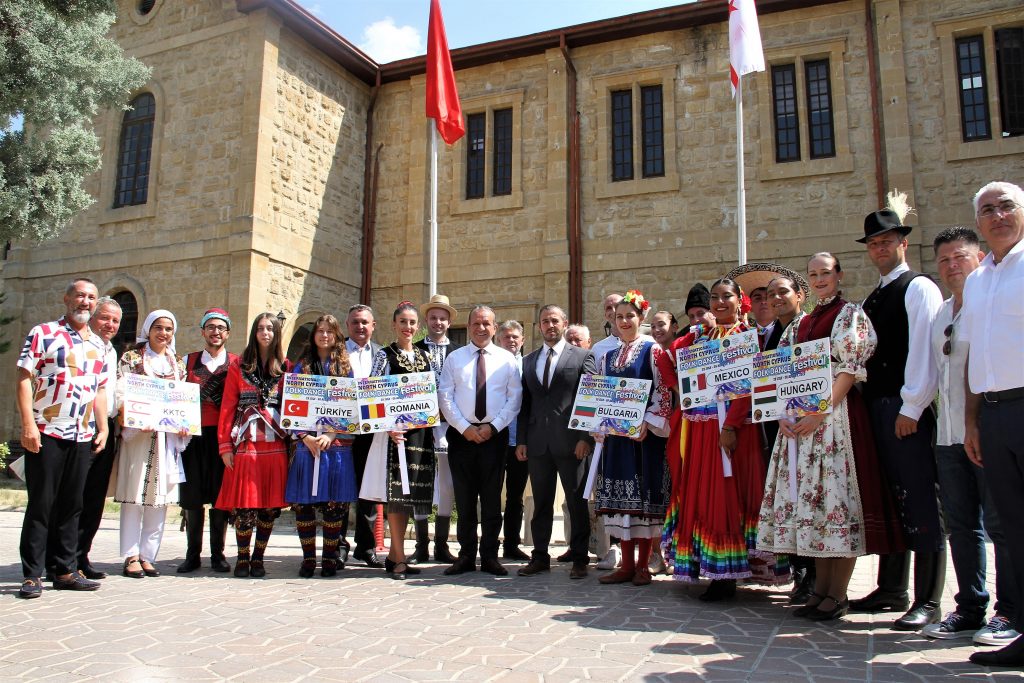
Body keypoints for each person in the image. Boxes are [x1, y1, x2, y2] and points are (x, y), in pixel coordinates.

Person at [757, 256, 901, 621]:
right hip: (799, 425)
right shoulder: (799, 324)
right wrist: (783, 415)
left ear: (839, 276)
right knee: (814, 506)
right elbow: (781, 374)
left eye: (826, 273)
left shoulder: (848, 314)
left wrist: (820, 411)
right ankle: (820, 589)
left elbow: (850, 370)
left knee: (836, 500)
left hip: (835, 421)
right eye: (814, 275)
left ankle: (837, 594)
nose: (820, 279)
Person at [852, 199, 946, 631]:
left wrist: (913, 405)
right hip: (878, 406)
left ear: (902, 243)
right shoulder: (876, 294)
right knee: (892, 497)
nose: (880, 249)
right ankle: (892, 588)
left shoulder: (917, 287)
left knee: (920, 500)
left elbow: (924, 351)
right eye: (873, 243)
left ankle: (928, 598)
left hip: (903, 407)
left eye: (886, 241)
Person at [922, 226, 1018, 645]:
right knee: (961, 525)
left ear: (978, 259)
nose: (951, 266)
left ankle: (1010, 610)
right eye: (943, 260)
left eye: (959, 257)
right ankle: (969, 607)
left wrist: (976, 424)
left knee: (1001, 524)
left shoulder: (989, 307)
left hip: (984, 431)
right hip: (948, 435)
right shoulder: (942, 313)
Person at [662, 278, 785, 601]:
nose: (719, 302)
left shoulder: (748, 337)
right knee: (703, 493)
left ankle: (729, 572)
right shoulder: (703, 337)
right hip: (702, 426)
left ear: (738, 300)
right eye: (714, 298)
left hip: (733, 429)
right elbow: (673, 354)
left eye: (725, 297)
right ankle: (714, 565)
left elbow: (748, 385)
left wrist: (730, 426)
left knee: (729, 493)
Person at [962, 181, 1024, 667]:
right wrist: (973, 421)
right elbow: (972, 354)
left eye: (1007, 207)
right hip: (996, 412)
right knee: (1012, 525)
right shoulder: (980, 278)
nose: (998, 215)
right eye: (988, 210)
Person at [728, 262, 816, 602]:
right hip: (762, 431)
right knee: (779, 499)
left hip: (797, 425)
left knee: (799, 495)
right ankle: (793, 566)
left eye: (774, 294)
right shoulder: (747, 338)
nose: (768, 301)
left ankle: (808, 572)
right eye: (760, 296)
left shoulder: (804, 328)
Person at [16, 278, 110, 598]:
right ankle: (31, 574)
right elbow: (25, 378)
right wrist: (28, 425)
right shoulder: (43, 333)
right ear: (67, 298)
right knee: (42, 503)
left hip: (82, 434)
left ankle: (65, 570)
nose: (85, 301)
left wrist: (104, 427)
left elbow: (99, 390)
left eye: (91, 297)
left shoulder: (99, 346)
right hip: (47, 431)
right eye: (80, 295)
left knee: (72, 504)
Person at [592, 290, 673, 587]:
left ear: (642, 318)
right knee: (620, 502)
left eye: (630, 316)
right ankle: (626, 564)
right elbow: (600, 395)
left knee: (642, 500)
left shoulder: (653, 352)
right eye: (619, 316)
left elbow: (664, 394)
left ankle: (642, 565)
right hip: (616, 438)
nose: (624, 321)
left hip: (643, 438)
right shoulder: (607, 356)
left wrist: (647, 423)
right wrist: (597, 423)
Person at [438, 305, 522, 576]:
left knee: (491, 500)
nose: (481, 328)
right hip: (461, 437)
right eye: (476, 323)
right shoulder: (455, 358)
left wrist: (493, 427)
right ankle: (465, 556)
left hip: (494, 438)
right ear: (469, 325)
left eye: (487, 323)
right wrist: (464, 428)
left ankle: (489, 556)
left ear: (494, 328)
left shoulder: (507, 360)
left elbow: (514, 398)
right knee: (463, 500)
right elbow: (445, 396)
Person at [516, 305, 596, 580]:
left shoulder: (583, 356)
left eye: (554, 321)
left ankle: (580, 557)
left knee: (576, 503)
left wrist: (585, 437)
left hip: (572, 443)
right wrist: (522, 440)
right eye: (544, 321)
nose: (550, 325)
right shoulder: (529, 360)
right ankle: (540, 556)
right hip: (538, 444)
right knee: (541, 504)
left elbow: (589, 398)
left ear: (564, 323)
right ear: (539, 326)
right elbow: (525, 404)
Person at [113, 310, 191, 579]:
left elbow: (183, 399)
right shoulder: (132, 357)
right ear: (148, 329)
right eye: (158, 327)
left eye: (169, 329)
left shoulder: (177, 364)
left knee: (159, 499)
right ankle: (131, 555)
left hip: (167, 437)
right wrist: (136, 417)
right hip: (139, 435)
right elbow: (120, 393)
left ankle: (148, 555)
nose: (164, 333)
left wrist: (184, 423)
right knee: (134, 496)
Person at [284, 314, 357, 578]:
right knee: (304, 505)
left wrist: (331, 432)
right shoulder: (300, 366)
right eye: (320, 331)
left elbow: (350, 407)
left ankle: (329, 557)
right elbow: (291, 404)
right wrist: (304, 436)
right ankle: (307, 559)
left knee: (334, 505)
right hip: (308, 445)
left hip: (335, 445)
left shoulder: (345, 367)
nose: (324, 335)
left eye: (329, 331)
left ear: (337, 336)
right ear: (313, 335)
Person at [216, 313, 289, 578]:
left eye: (270, 328)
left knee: (268, 508)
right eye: (260, 328)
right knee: (245, 506)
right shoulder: (239, 366)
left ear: (277, 333)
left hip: (276, 445)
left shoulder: (286, 366)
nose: (265, 332)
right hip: (247, 444)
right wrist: (225, 446)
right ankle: (243, 557)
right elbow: (227, 406)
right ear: (253, 332)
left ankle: (259, 557)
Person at [368, 303, 436, 579]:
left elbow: (432, 390)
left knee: (411, 496)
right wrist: (387, 427)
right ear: (394, 325)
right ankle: (397, 556)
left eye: (412, 323)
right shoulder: (385, 355)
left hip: (420, 432)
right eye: (403, 322)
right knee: (396, 495)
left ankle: (399, 554)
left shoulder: (425, 355)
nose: (408, 327)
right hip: (395, 435)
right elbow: (372, 393)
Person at [176, 308, 237, 574]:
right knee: (192, 496)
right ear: (202, 331)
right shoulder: (187, 362)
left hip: (223, 438)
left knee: (219, 496)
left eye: (220, 328)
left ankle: (218, 554)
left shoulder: (237, 362)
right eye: (210, 327)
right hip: (191, 437)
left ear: (227, 333)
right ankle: (192, 555)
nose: (215, 332)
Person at [69, 297, 121, 580]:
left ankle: (81, 556)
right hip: (80, 426)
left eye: (115, 321)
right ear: (92, 316)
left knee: (94, 497)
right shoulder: (81, 345)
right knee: (73, 495)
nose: (110, 325)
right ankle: (62, 558)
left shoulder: (111, 351)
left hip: (106, 428)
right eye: (105, 318)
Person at [415, 294, 459, 563]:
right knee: (420, 479)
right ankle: (421, 544)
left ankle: (441, 544)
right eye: (433, 317)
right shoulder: (415, 349)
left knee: (446, 483)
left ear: (449, 321)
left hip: (450, 425)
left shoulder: (459, 351)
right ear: (426, 320)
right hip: (420, 424)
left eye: (443, 318)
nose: (438, 322)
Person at [344, 304, 385, 568]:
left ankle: (365, 546)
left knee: (368, 492)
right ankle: (337, 545)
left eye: (365, 323)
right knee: (339, 490)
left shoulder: (382, 355)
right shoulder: (336, 353)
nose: (360, 327)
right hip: (341, 432)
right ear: (348, 325)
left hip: (371, 432)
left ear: (373, 326)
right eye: (355, 322)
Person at [590, 293, 624, 571]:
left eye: (620, 309)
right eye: (610, 308)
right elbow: (592, 390)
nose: (615, 313)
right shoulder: (598, 349)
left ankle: (648, 551)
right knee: (611, 491)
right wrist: (594, 425)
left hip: (640, 432)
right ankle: (613, 547)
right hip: (609, 434)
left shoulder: (648, 345)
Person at [497, 319, 530, 562]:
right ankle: (488, 544)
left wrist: (525, 440)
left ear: (522, 340)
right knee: (490, 494)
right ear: (499, 339)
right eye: (506, 336)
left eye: (515, 337)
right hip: (495, 440)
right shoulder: (492, 364)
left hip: (520, 441)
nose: (511, 341)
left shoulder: (528, 366)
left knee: (515, 497)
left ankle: (511, 544)